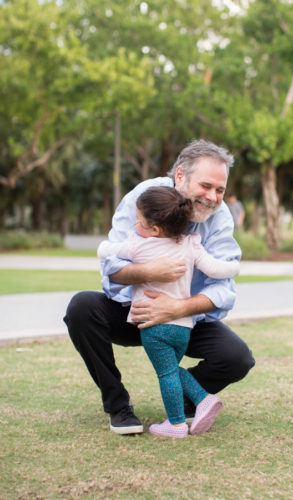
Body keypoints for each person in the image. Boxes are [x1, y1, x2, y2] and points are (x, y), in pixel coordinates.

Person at [64, 139, 255, 436]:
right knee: (81, 308)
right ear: (180, 176)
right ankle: (118, 405)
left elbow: (224, 289)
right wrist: (148, 271)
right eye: (205, 186)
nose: (212, 197)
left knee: (237, 357)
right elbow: (111, 269)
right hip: (133, 312)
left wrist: (178, 307)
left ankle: (181, 401)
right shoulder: (144, 198)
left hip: (184, 320)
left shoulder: (219, 218)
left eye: (220, 190)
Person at [97, 186, 240, 438]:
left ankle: (176, 424)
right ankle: (203, 401)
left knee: (166, 373)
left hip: (154, 326)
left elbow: (108, 253)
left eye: (139, 222)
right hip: (184, 326)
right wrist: (233, 267)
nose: (135, 226)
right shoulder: (191, 243)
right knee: (171, 369)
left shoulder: (138, 246)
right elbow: (215, 268)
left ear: (155, 229)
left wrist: (103, 247)